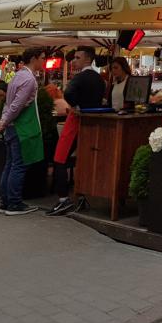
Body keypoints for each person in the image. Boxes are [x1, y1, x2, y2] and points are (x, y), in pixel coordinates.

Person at [48, 47, 107, 217]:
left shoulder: (80, 77)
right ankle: (81, 196)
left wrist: (76, 106)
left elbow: (68, 93)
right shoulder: (99, 79)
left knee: (60, 159)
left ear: (88, 60)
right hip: (93, 123)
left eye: (77, 57)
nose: (74, 61)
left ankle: (63, 200)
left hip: (77, 119)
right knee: (84, 160)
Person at [0, 47, 45, 215]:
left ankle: (5, 202)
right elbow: (17, 105)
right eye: (42, 58)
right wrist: (5, 121)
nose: (44, 61)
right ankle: (14, 204)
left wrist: (4, 121)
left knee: (10, 165)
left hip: (12, 126)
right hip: (21, 127)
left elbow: (9, 103)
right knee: (18, 166)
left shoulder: (17, 76)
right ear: (34, 58)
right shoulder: (29, 79)